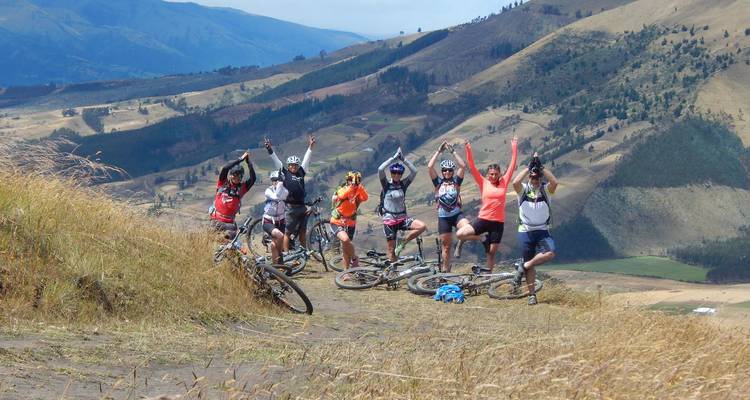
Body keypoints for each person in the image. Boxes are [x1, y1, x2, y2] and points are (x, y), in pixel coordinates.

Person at [456, 137, 518, 272]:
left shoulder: (504, 182)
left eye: (496, 174)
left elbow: (512, 166)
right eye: (491, 174)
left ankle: (488, 278)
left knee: (491, 252)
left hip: (498, 223)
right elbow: (471, 166)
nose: (493, 176)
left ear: (500, 174)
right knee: (460, 234)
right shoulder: (483, 182)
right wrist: (468, 148)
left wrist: (514, 146)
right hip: (483, 219)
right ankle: (481, 237)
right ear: (487, 174)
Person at [511, 152, 558, 306]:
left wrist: (541, 168)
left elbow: (554, 182)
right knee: (530, 263)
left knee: (549, 253)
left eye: (537, 177)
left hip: (543, 230)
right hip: (525, 230)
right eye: (532, 177)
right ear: (529, 178)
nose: (535, 180)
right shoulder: (523, 189)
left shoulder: (546, 190)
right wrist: (528, 167)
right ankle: (532, 295)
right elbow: (515, 182)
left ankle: (523, 266)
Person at [265, 135, 315, 251]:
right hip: (290, 207)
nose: (294, 167)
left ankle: (303, 252)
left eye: (296, 165)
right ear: (288, 166)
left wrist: (310, 147)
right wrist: (269, 149)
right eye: (291, 165)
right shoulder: (285, 173)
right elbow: (276, 160)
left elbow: (306, 159)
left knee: (303, 231)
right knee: (287, 232)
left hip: (301, 207)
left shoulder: (301, 172)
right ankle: (287, 254)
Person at [427, 140, 470, 272]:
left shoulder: (456, 181)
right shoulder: (438, 182)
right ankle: (446, 270)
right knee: (446, 247)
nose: (447, 172)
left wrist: (453, 151)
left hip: (456, 214)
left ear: (452, 171)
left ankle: (460, 244)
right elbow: (430, 167)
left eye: (449, 170)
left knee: (467, 228)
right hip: (443, 217)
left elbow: (463, 166)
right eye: (444, 170)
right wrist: (439, 151)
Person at [378, 147, 426, 261]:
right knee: (391, 250)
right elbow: (380, 169)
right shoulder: (386, 184)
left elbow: (414, 171)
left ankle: (403, 242)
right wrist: (394, 158)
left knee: (422, 226)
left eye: (399, 173)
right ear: (391, 173)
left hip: (402, 219)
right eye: (394, 172)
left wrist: (404, 159)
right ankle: (392, 274)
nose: (396, 175)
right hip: (389, 220)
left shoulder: (403, 184)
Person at [210, 151, 256, 240]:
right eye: (235, 175)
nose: (237, 178)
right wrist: (240, 159)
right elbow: (225, 169)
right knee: (210, 241)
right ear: (230, 175)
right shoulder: (222, 183)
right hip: (216, 220)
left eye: (239, 176)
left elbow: (253, 179)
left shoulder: (242, 188)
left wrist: (248, 163)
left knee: (229, 245)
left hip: (230, 224)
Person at [330, 171, 369, 269]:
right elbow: (342, 196)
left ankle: (345, 272)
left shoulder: (358, 190)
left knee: (345, 247)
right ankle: (355, 258)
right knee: (345, 239)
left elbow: (365, 198)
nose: (353, 182)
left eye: (355, 181)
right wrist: (352, 188)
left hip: (350, 222)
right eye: (350, 180)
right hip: (337, 221)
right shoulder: (342, 189)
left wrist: (360, 187)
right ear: (347, 181)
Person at [262, 170, 288, 265]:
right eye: (274, 180)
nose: (276, 182)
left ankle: (276, 266)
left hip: (281, 221)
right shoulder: (268, 190)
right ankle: (280, 257)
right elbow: (276, 196)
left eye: (278, 180)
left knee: (273, 245)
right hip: (268, 220)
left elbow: (282, 195)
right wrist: (280, 184)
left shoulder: (285, 191)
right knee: (280, 236)